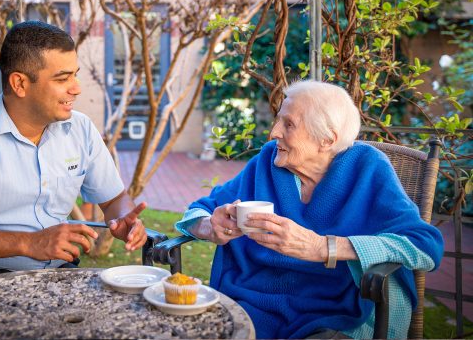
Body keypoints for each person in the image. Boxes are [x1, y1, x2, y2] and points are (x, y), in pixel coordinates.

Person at [176, 80, 443, 339]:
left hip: (335, 312)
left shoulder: (367, 168)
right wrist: (211, 226)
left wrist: (324, 247)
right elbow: (198, 211)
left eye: (288, 124)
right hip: (252, 303)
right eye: (278, 119)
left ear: (326, 139)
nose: (274, 132)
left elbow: (424, 245)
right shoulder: (268, 161)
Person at [0, 21, 147, 277]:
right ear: (19, 84)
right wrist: (29, 243)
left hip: (59, 277)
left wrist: (123, 218)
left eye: (74, 75)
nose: (76, 88)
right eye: (62, 78)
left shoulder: (81, 129)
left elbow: (113, 199)